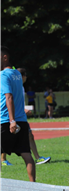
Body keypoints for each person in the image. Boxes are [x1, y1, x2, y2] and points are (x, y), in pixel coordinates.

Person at [2, 68, 51, 166]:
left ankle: (37, 158)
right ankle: (3, 160)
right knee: (5, 140)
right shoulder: (12, 84)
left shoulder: (19, 86)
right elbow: (9, 99)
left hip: (19, 117)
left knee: (29, 136)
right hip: (12, 117)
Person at [0, 46, 36, 181]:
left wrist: (12, 120)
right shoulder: (17, 74)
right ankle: (34, 186)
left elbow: (9, 97)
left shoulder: (3, 75)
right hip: (22, 120)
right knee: (26, 154)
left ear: (5, 58)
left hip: (6, 120)